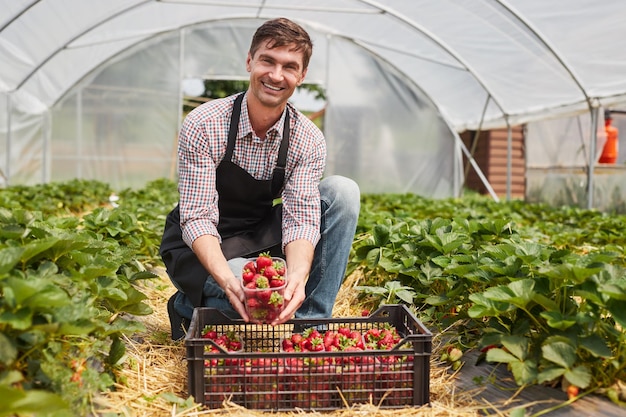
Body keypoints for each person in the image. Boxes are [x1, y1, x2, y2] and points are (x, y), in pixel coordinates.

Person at [160, 17, 360, 340]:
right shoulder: (204, 124)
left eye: (289, 66)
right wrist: (229, 281)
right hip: (204, 245)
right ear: (250, 61)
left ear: (302, 75)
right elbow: (197, 217)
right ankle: (186, 306)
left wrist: (296, 276)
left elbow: (300, 218)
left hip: (256, 238)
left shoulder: (307, 139)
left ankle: (309, 326)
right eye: (268, 60)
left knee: (342, 192)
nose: (276, 75)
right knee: (252, 303)